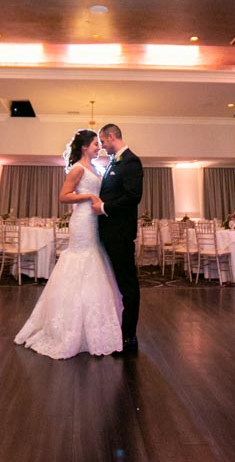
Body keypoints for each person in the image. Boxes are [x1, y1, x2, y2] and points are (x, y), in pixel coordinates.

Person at [14, 129, 123, 359]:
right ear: (84, 146)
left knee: (94, 262)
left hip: (94, 220)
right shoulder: (78, 169)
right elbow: (64, 196)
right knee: (81, 260)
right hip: (82, 221)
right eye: (95, 144)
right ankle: (69, 326)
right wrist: (88, 197)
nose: (99, 148)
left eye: (99, 144)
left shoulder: (95, 168)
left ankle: (92, 325)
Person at [92, 123, 143, 355]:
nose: (102, 146)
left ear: (112, 136)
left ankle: (129, 337)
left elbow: (133, 197)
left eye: (103, 141)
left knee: (128, 286)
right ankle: (117, 332)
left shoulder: (131, 161)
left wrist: (104, 207)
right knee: (119, 284)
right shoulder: (114, 162)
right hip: (110, 234)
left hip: (120, 235)